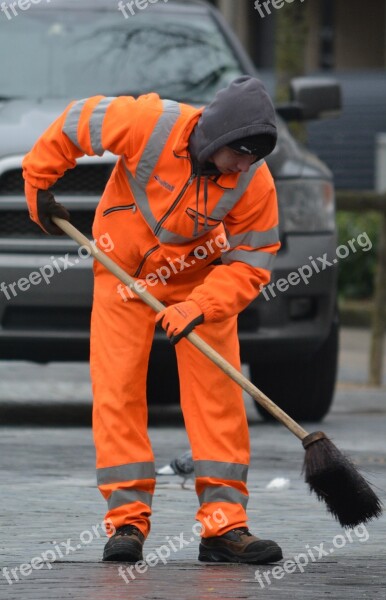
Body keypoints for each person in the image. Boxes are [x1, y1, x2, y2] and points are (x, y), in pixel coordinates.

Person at [22, 76, 283, 565]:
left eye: (254, 157)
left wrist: (202, 306)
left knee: (219, 395)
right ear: (217, 138)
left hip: (200, 285)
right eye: (240, 154)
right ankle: (127, 522)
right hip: (124, 274)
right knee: (117, 389)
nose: (245, 165)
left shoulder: (254, 181)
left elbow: (253, 261)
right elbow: (77, 123)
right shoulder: (151, 123)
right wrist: (38, 181)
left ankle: (225, 527)